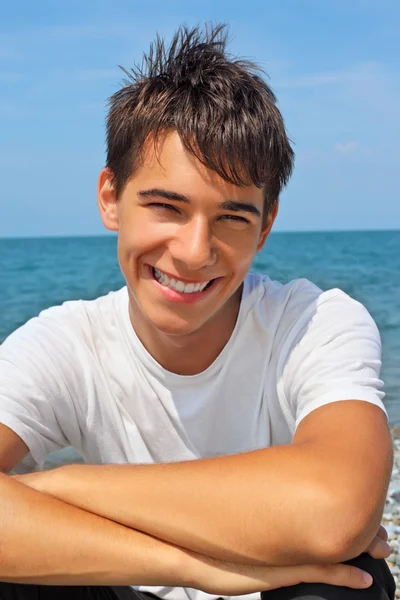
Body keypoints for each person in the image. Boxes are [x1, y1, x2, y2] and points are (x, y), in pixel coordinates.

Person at [0, 23, 396, 600]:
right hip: (122, 588)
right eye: (167, 206)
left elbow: (335, 509)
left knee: (340, 583)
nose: (193, 252)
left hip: (271, 594)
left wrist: (59, 485)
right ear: (111, 197)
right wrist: (194, 569)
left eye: (232, 218)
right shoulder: (65, 345)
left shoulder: (312, 322)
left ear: (266, 224)